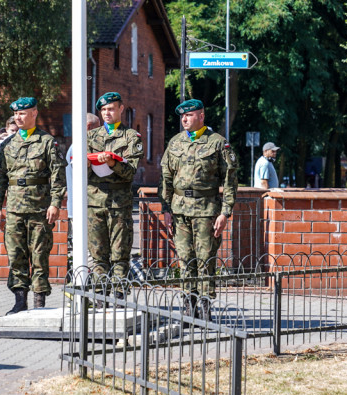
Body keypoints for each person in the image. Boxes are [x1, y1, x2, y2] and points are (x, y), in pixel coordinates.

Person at [158, 99, 238, 317]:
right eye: (182, 116)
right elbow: (165, 178)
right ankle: (188, 304)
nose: (184, 119)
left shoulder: (218, 143)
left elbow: (230, 181)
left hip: (206, 210)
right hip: (179, 210)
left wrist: (225, 212)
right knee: (185, 258)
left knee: (204, 259)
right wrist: (166, 209)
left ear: (201, 116)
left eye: (189, 115)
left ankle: (204, 305)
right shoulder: (175, 143)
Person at [0, 97, 66, 313]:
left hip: (39, 209)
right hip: (14, 210)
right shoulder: (7, 145)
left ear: (34, 113)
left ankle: (39, 302)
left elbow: (58, 176)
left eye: (22, 113)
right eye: (15, 114)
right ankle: (19, 302)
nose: (18, 117)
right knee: (16, 255)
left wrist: (55, 204)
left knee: (40, 255)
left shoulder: (47, 142)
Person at [87, 92, 143, 283]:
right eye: (103, 110)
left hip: (119, 202)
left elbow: (130, 171)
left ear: (121, 109)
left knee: (120, 253)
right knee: (98, 254)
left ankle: (118, 295)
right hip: (95, 201)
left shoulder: (131, 137)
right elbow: (81, 172)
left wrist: (112, 162)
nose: (107, 113)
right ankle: (101, 296)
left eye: (111, 108)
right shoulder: (90, 136)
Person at [65, 113, 101, 277]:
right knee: (87, 251)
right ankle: (86, 288)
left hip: (81, 207)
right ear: (88, 128)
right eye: (97, 128)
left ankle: (84, 287)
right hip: (83, 208)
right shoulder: (79, 147)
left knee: (84, 249)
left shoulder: (78, 146)